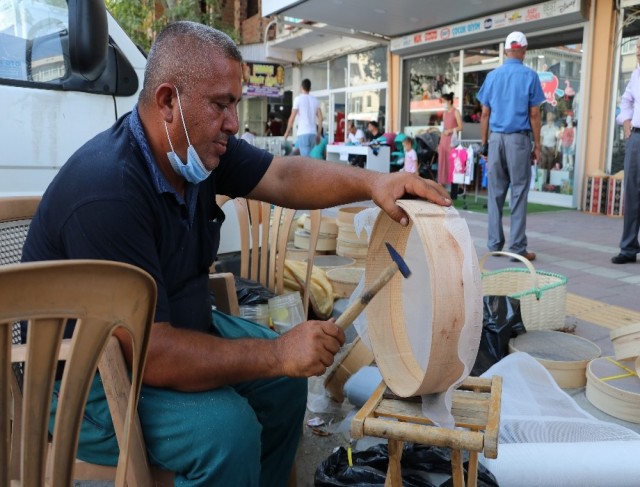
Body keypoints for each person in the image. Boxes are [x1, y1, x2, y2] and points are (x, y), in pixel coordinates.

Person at [21, 21, 452, 486]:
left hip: (165, 330)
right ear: (168, 102)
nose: (233, 122)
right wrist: (277, 353)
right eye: (221, 104)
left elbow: (283, 175)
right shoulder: (107, 192)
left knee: (286, 384)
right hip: (79, 377)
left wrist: (374, 184)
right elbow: (154, 355)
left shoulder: (196, 151)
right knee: (228, 433)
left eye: (236, 104)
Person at [477, 31, 545, 262]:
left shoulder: (493, 76)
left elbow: (485, 114)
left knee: (495, 193)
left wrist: (485, 144)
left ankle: (495, 245)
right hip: (518, 140)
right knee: (518, 192)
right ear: (524, 50)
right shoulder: (530, 76)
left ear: (506, 51)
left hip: (496, 139)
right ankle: (517, 248)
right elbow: (534, 114)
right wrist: (537, 144)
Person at [612, 37, 640, 264]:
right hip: (637, 138)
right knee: (631, 193)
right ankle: (629, 248)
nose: (638, 51)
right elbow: (626, 101)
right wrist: (626, 120)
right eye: (638, 47)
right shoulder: (636, 74)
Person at [283, 78, 322, 157]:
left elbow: (292, 118)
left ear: (301, 87)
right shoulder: (315, 101)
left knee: (306, 160)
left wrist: (287, 132)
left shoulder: (298, 99)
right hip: (313, 134)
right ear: (310, 89)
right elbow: (320, 119)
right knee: (309, 157)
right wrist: (318, 134)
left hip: (303, 133)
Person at [436, 92, 464, 199]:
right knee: (442, 164)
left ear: (449, 101)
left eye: (444, 101)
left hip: (451, 141)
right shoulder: (444, 113)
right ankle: (441, 191)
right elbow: (443, 128)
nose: (443, 103)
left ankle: (454, 192)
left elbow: (461, 127)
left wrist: (451, 130)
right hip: (444, 140)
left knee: (452, 165)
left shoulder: (456, 112)